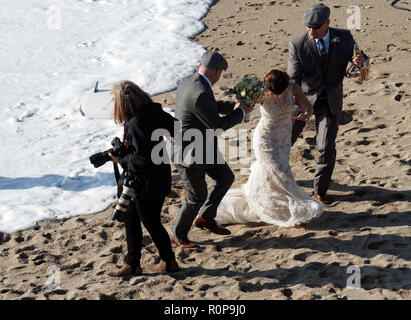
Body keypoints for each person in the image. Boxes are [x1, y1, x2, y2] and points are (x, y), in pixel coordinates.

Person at [216, 70, 324, 228]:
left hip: (284, 138)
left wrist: (307, 114)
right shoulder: (259, 93)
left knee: (271, 175)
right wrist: (242, 106)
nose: (276, 95)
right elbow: (241, 108)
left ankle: (258, 193)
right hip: (265, 139)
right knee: (282, 172)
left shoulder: (293, 87)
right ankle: (290, 214)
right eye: (273, 92)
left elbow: (307, 106)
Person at [170, 51, 254, 248]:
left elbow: (209, 106)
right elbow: (216, 126)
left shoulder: (190, 81)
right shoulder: (200, 91)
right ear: (217, 72)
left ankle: (206, 218)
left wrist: (232, 106)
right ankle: (177, 234)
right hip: (189, 152)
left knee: (225, 177)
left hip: (202, 146)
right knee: (196, 196)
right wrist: (241, 113)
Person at [288, 3, 365, 205]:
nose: (311, 31)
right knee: (283, 143)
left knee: (326, 147)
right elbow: (294, 81)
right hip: (303, 99)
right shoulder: (297, 44)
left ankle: (320, 192)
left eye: (315, 27)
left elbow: (362, 64)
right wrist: (304, 107)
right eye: (308, 27)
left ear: (328, 23)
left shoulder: (345, 37)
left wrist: (360, 62)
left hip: (331, 101)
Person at [107, 80, 180, 277]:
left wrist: (120, 158)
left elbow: (141, 159)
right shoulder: (155, 112)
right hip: (159, 176)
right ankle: (134, 264)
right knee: (135, 220)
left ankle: (168, 261)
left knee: (150, 223)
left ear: (124, 105)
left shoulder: (136, 123)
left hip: (145, 182)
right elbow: (176, 128)